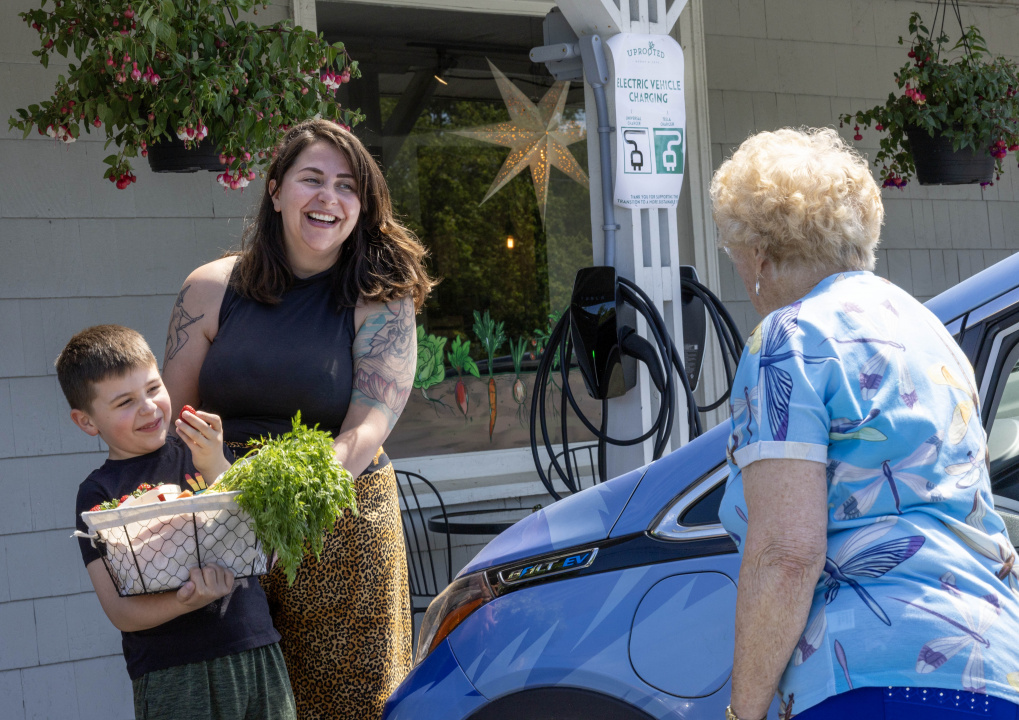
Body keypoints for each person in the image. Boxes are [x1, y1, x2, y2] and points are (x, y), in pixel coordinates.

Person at [710, 127, 1019, 720]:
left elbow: (786, 554)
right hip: (994, 667)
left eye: (737, 257)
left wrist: (742, 713)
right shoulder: (931, 334)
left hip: (873, 675)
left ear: (762, 261)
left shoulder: (789, 338)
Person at [161, 118, 435, 719]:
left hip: (340, 525)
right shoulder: (208, 289)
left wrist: (278, 497)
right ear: (276, 189)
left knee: (350, 709)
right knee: (240, 702)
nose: (327, 199)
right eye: (311, 180)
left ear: (363, 206)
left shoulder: (382, 298)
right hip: (221, 526)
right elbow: (172, 428)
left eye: (346, 186)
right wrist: (222, 513)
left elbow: (365, 430)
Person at [60, 324, 296, 720]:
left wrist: (217, 466)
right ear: (87, 422)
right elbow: (120, 611)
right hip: (172, 673)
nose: (149, 408)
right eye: (124, 402)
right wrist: (186, 600)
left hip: (254, 647)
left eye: (153, 389)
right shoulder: (98, 493)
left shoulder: (203, 451)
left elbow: (267, 546)